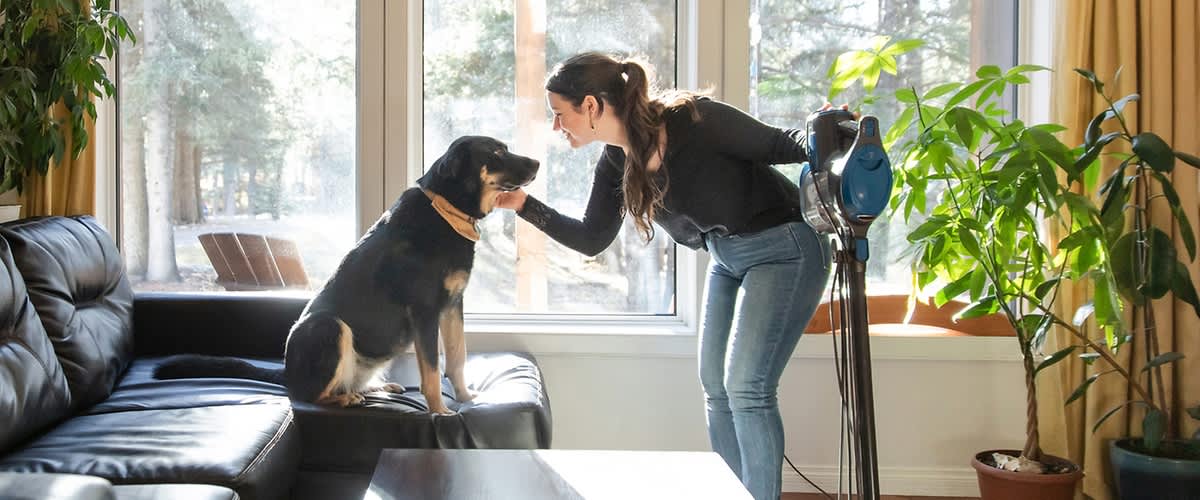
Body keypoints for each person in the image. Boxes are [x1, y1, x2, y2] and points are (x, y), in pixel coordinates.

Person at [495, 51, 832, 500]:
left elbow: (783, 145)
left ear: (592, 106)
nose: (557, 127)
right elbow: (593, 237)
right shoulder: (616, 162)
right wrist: (524, 205)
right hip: (727, 255)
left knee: (747, 388)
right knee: (715, 386)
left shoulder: (695, 119)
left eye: (561, 114)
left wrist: (830, 130)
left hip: (784, 248)